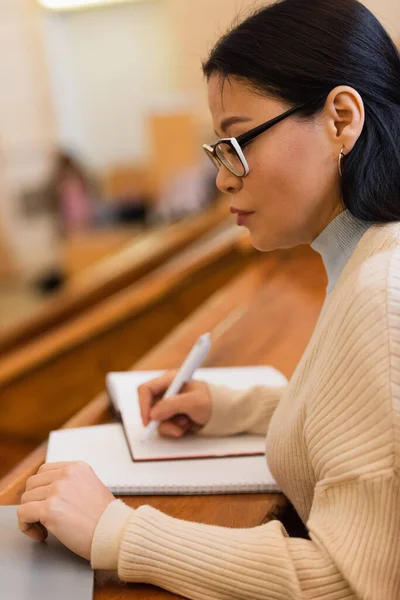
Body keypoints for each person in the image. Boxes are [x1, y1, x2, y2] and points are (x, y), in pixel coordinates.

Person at [16, 0, 400, 598]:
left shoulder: (381, 291)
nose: (223, 178)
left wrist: (113, 530)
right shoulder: (366, 256)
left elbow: (350, 584)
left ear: (341, 120)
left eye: (238, 142)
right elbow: (362, 421)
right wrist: (233, 406)